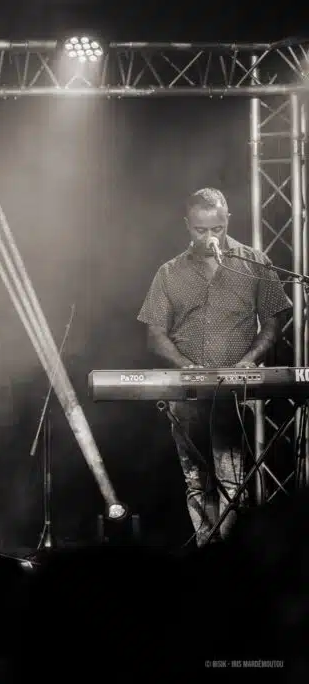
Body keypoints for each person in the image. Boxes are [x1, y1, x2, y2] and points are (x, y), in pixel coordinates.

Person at [137, 188, 292, 546]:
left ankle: (231, 559)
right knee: (196, 480)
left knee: (233, 479)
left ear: (228, 221)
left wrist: (248, 361)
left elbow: (273, 322)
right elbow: (155, 336)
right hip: (186, 390)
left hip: (233, 391)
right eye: (201, 230)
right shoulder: (169, 272)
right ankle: (206, 554)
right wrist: (188, 366)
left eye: (218, 229)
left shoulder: (254, 263)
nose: (211, 238)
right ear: (187, 225)